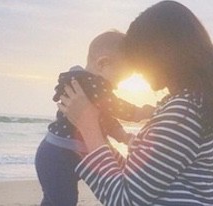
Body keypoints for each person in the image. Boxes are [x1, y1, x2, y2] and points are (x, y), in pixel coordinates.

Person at [58, 1, 213, 205]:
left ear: (161, 53)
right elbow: (136, 181)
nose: (137, 68)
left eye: (137, 56)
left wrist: (88, 125)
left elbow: (125, 199)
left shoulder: (183, 113)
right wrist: (91, 132)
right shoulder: (189, 107)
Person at [35, 31, 155, 206]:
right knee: (62, 201)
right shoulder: (87, 84)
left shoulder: (92, 90)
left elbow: (105, 119)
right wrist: (143, 112)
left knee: (57, 201)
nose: (116, 86)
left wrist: (123, 136)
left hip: (71, 153)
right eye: (119, 80)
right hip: (58, 155)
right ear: (102, 63)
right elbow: (117, 107)